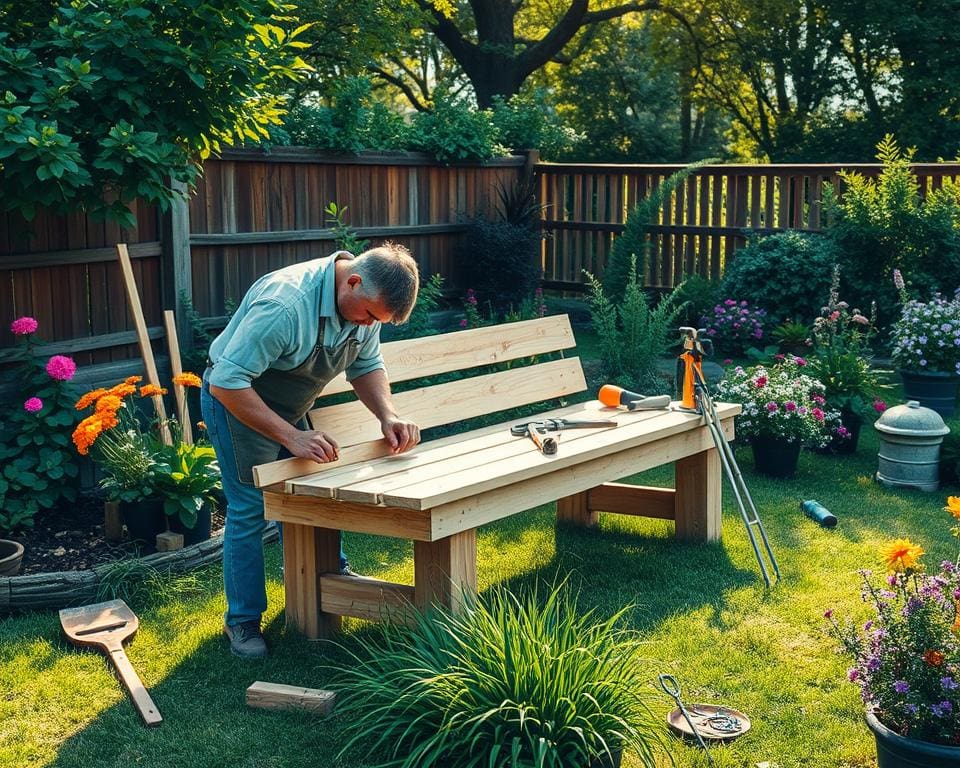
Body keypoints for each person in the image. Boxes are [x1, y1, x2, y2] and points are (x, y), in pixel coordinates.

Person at [200, 243, 422, 658]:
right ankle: (243, 621)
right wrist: (292, 437)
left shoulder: (365, 301)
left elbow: (367, 365)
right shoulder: (285, 305)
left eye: (380, 320)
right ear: (352, 282)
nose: (371, 324)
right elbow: (227, 382)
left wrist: (387, 416)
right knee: (250, 506)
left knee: (306, 490)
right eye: (371, 315)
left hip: (288, 405)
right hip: (236, 401)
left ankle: (326, 577)